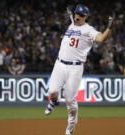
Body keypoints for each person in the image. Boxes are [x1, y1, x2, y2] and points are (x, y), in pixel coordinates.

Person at [45, 4, 114, 135]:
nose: (78, 17)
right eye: (77, 14)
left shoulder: (88, 30)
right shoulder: (72, 22)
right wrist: (69, 10)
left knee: (70, 100)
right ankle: (54, 101)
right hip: (59, 64)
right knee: (52, 91)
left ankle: (70, 128)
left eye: (82, 15)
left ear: (86, 17)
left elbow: (102, 38)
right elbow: (69, 12)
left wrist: (109, 27)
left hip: (75, 68)